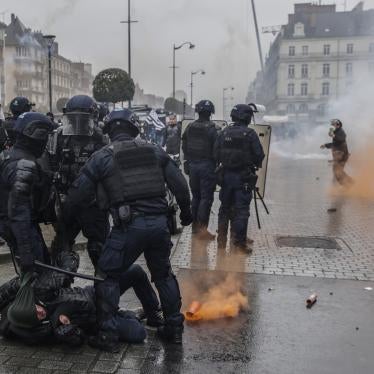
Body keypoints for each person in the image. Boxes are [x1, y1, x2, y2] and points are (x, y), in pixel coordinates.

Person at [68, 108, 192, 352]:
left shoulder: (102, 156)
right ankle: (174, 330)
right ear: (134, 128)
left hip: (129, 228)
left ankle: (108, 335)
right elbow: (179, 184)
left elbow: (77, 195)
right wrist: (187, 214)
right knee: (163, 274)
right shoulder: (154, 150)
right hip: (159, 226)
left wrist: (68, 222)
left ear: (109, 130)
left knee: (106, 275)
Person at [0, 251, 163, 346]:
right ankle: (126, 314)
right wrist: (70, 330)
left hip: (94, 293)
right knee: (138, 333)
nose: (40, 312)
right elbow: (78, 339)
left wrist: (65, 268)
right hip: (98, 319)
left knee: (135, 271)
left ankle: (152, 312)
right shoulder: (45, 330)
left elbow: (68, 258)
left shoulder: (36, 294)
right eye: (36, 317)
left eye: (35, 309)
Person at [49, 95, 109, 268]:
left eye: (82, 119)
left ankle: (104, 290)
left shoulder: (101, 139)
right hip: (68, 201)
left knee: (99, 248)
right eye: (73, 118)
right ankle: (60, 287)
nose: (77, 123)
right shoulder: (60, 137)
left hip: (94, 204)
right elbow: (53, 165)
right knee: (62, 248)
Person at [0, 112, 54, 272]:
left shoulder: (7, 155)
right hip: (21, 228)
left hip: (15, 226)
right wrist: (26, 252)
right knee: (41, 281)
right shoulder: (23, 165)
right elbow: (18, 212)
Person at [214, 104, 265, 253]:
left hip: (226, 178)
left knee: (224, 210)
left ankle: (221, 243)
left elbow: (215, 154)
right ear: (247, 117)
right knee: (241, 212)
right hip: (243, 178)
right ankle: (238, 245)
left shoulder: (223, 133)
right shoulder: (250, 134)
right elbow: (259, 155)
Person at [182, 100, 218, 240]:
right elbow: (216, 151)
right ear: (210, 113)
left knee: (196, 197)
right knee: (206, 199)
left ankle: (195, 229)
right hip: (207, 167)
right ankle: (202, 231)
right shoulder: (212, 129)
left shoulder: (190, 127)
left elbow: (184, 146)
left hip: (193, 167)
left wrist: (188, 162)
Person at [320, 119, 354, 187]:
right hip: (340, 155)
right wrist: (326, 145)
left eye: (334, 125)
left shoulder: (341, 131)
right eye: (332, 125)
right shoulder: (336, 132)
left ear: (338, 125)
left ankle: (350, 184)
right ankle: (350, 184)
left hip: (342, 155)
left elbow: (341, 139)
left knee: (338, 172)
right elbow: (335, 144)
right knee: (338, 172)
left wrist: (333, 136)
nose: (333, 126)